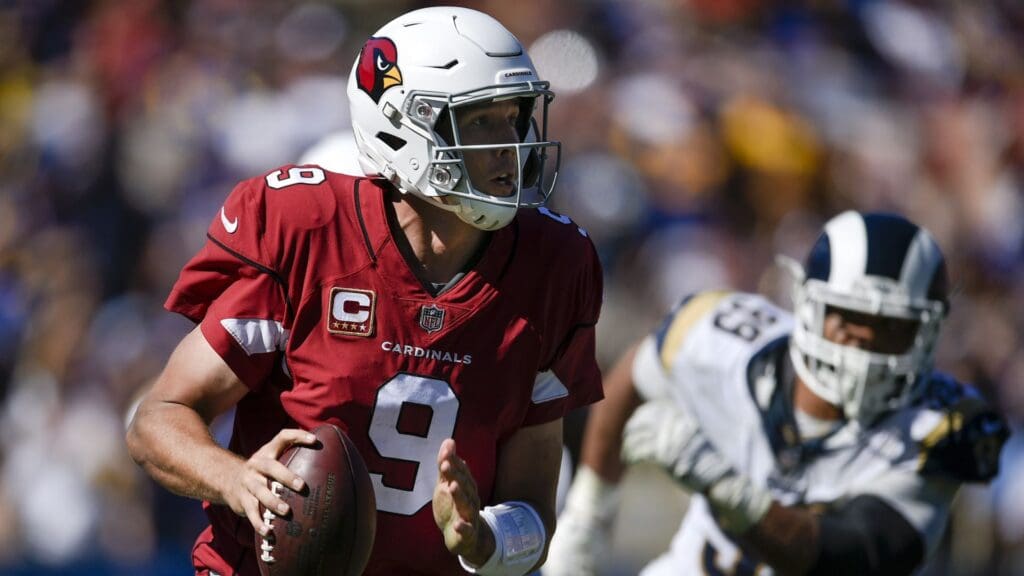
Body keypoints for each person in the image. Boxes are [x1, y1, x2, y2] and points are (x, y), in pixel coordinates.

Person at [126, 7, 604, 576]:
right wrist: (235, 479)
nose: (510, 146)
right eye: (480, 121)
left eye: (515, 116)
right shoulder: (307, 229)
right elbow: (159, 417)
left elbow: (534, 510)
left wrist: (484, 538)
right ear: (403, 126)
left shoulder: (554, 266)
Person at [545, 211, 1009, 576]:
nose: (865, 344)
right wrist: (588, 516)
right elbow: (635, 374)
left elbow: (846, 559)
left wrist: (723, 483)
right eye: (848, 319)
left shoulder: (942, 427)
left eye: (892, 329)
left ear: (926, 333)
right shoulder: (726, 340)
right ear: (809, 306)